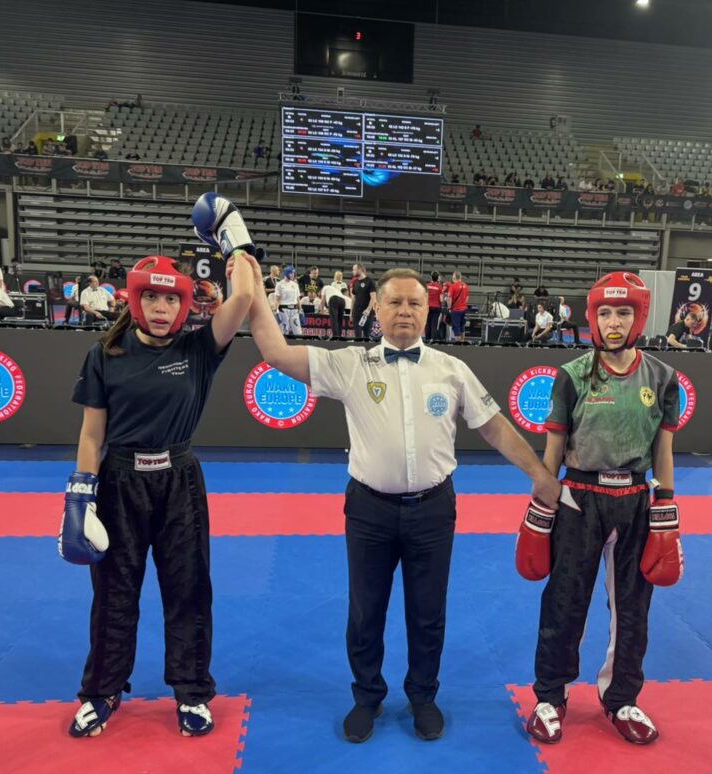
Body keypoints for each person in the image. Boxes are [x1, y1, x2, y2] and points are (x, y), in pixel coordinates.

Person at [242, 263, 559, 743]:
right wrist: (250, 286)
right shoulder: (351, 364)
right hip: (368, 510)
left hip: (434, 510)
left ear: (429, 310)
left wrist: (538, 475)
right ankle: (367, 696)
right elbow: (276, 352)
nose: (405, 311)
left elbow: (494, 426)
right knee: (365, 611)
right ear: (377, 307)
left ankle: (422, 697)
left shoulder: (452, 369)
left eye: (414, 303)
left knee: (428, 612)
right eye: (395, 301)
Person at [61, 238, 254, 739]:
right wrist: (79, 498)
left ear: (184, 304)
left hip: (179, 482)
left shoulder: (199, 349)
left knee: (189, 590)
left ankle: (192, 693)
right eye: (151, 297)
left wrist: (236, 242)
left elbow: (243, 298)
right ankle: (102, 691)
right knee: (113, 593)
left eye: (171, 299)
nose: (161, 308)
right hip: (119, 482)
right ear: (135, 299)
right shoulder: (105, 354)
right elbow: (91, 434)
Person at [519, 271, 682, 746]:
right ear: (593, 318)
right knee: (565, 600)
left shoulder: (662, 377)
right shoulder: (571, 376)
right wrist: (541, 506)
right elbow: (554, 448)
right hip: (578, 497)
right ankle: (550, 697)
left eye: (623, 313)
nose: (614, 322)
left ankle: (622, 698)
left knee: (633, 606)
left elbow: (664, 448)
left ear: (639, 317)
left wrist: (667, 506)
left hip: (635, 499)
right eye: (605, 313)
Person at [350, 264, 377, 340]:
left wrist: (368, 309)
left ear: (360, 270)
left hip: (367, 313)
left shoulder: (370, 281)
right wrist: (351, 312)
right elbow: (353, 298)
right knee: (357, 336)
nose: (352, 271)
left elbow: (373, 297)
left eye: (354, 269)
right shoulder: (355, 282)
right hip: (356, 312)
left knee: (366, 336)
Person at [321, 270, 349, 339]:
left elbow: (322, 301)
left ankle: (336, 337)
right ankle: (339, 336)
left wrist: (322, 311)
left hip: (334, 299)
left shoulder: (324, 288)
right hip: (342, 300)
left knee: (334, 319)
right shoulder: (333, 287)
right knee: (340, 319)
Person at [275, 265, 302, 336]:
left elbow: (298, 298)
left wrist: (300, 309)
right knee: (284, 331)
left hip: (294, 310)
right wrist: (276, 311)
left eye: (293, 273)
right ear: (286, 273)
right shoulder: (279, 284)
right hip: (283, 310)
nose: (293, 275)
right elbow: (277, 299)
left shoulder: (295, 285)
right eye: (291, 273)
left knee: (298, 332)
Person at [447, 271, 469, 342]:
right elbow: (467, 298)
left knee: (456, 327)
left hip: (456, 310)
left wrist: (449, 308)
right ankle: (462, 341)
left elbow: (449, 298)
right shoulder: (466, 285)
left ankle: (458, 343)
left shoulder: (453, 286)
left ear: (454, 277)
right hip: (464, 309)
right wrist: (463, 305)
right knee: (462, 326)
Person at [424, 271, 445, 341]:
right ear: (437, 278)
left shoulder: (427, 286)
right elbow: (441, 299)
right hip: (436, 307)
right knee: (434, 323)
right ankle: (433, 339)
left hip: (428, 307)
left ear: (431, 277)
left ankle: (427, 338)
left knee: (428, 323)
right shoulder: (439, 287)